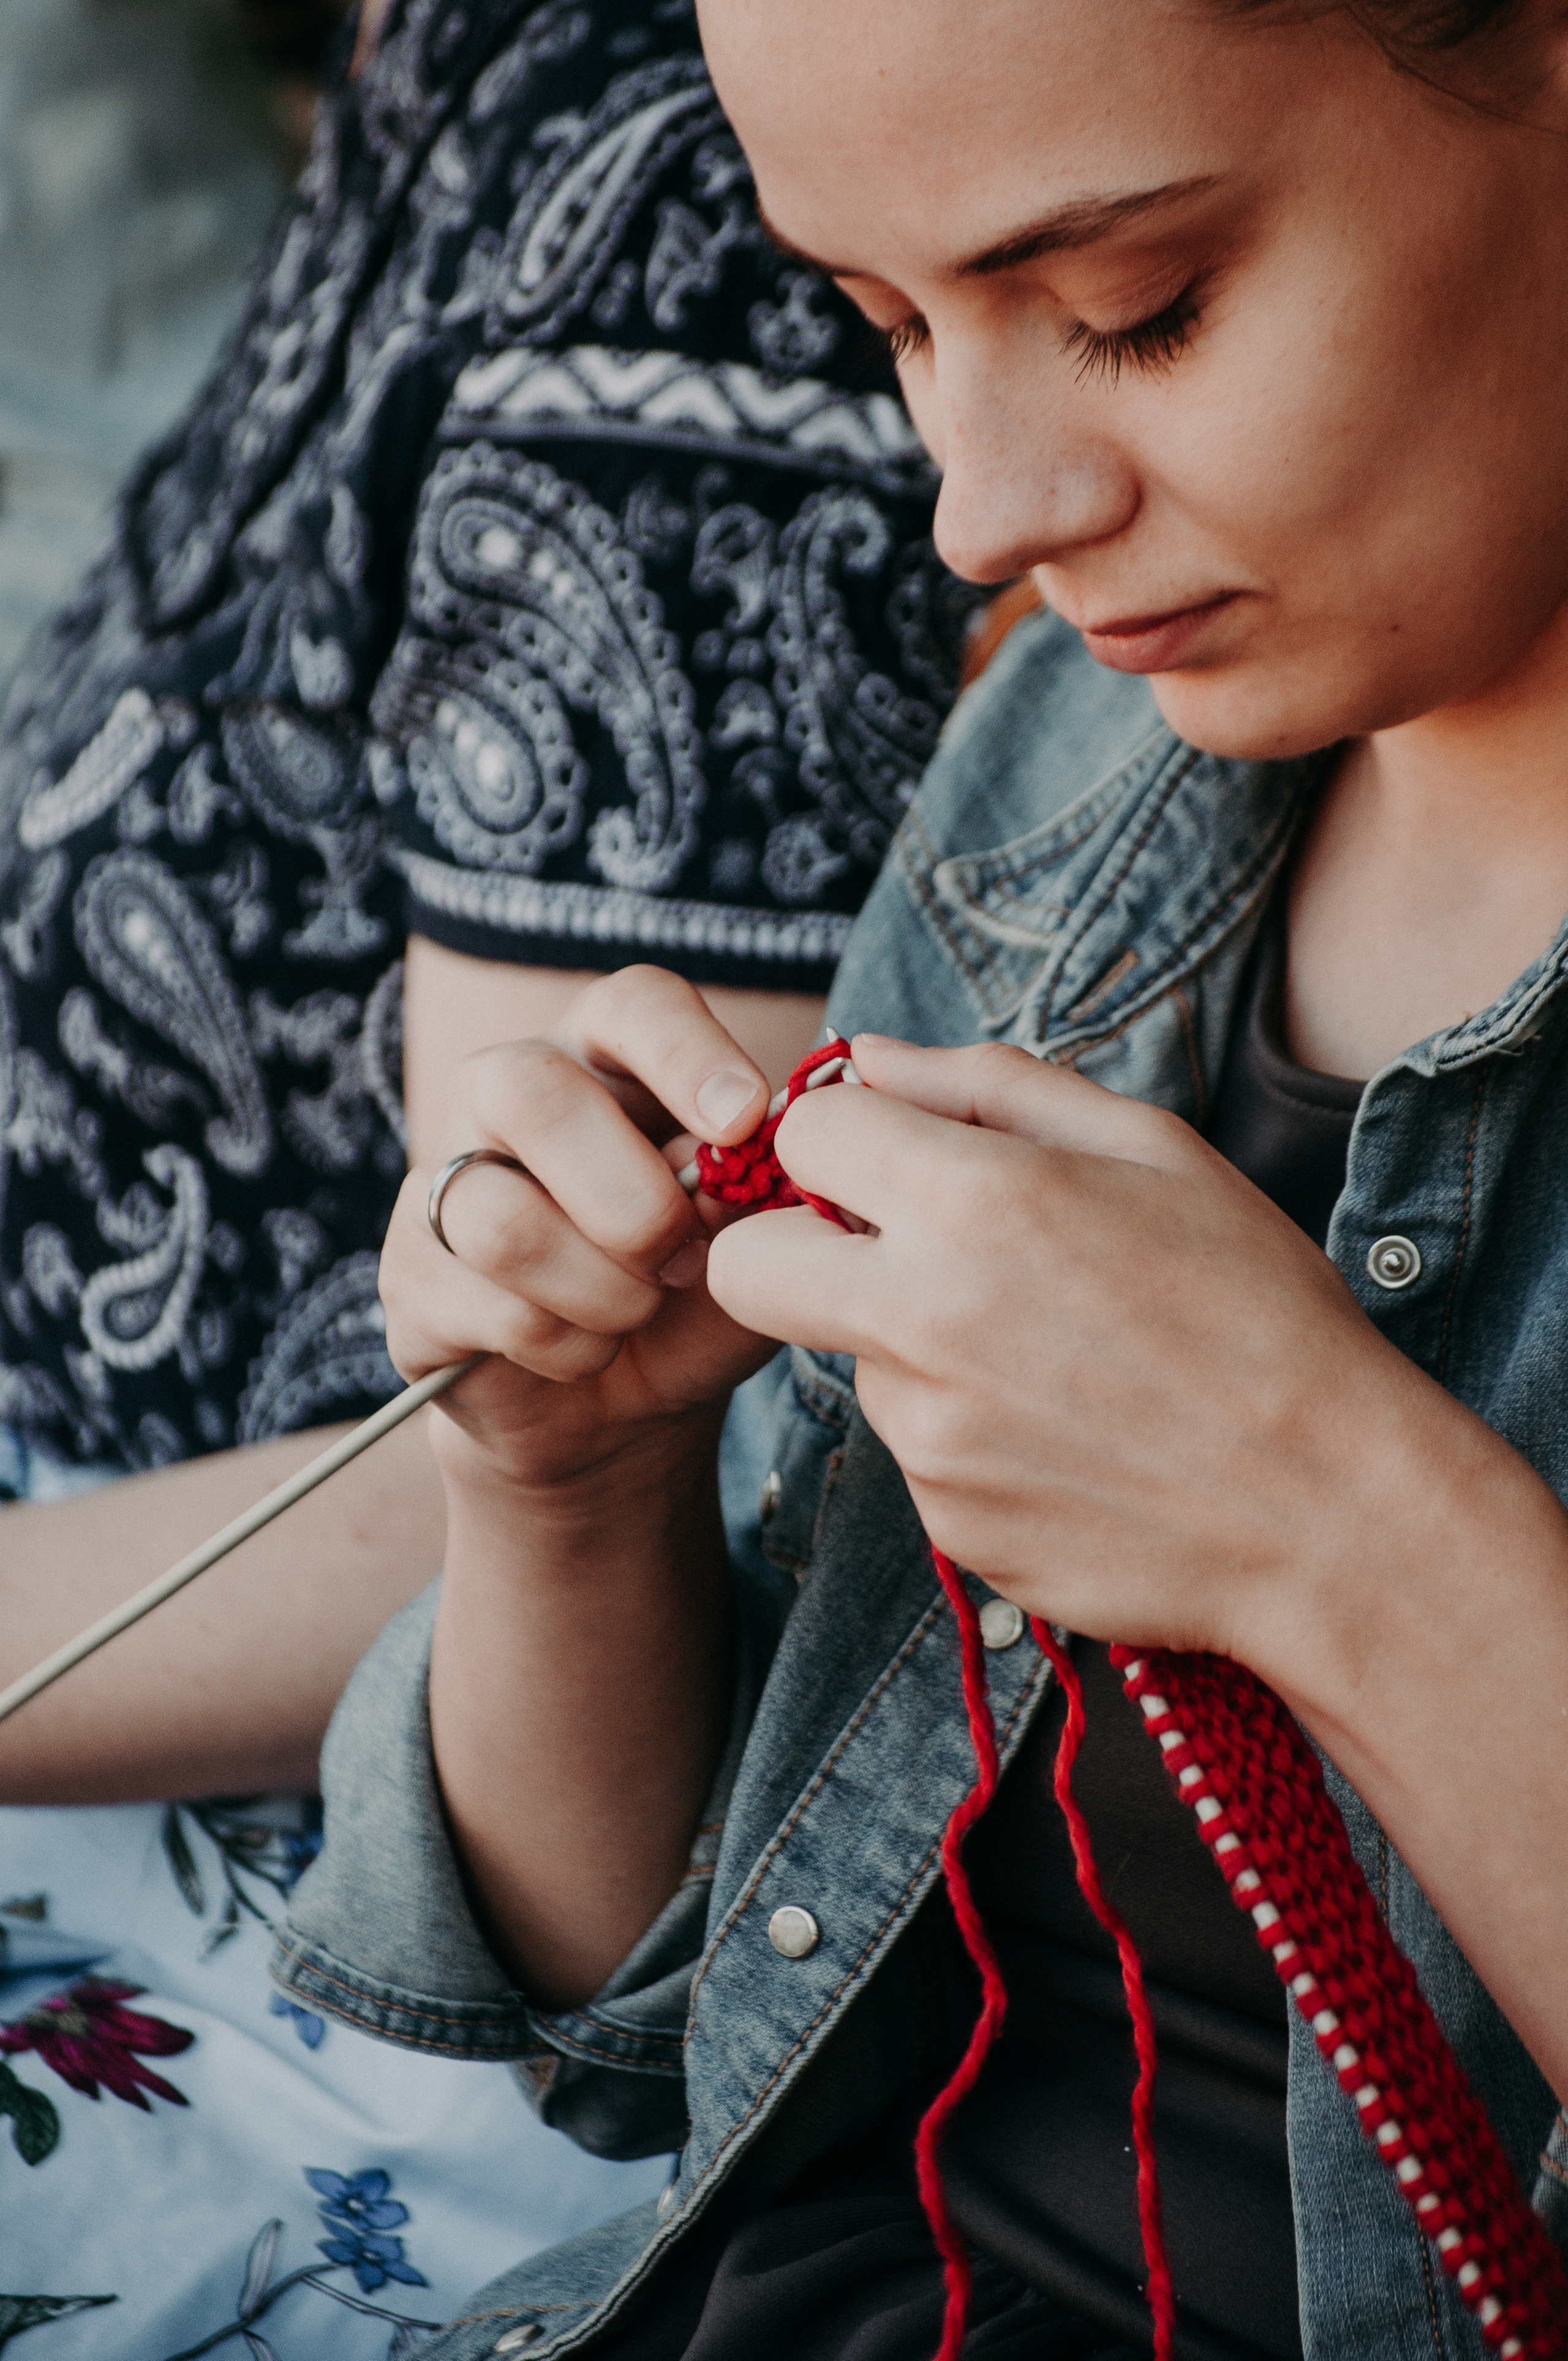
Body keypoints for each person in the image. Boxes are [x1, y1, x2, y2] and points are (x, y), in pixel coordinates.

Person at [276, 1, 1568, 2356]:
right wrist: (574, 1493)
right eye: (886, 326)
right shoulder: (1068, 776)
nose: (983, 508)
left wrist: (1339, 1522)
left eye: (1129, 311)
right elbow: (629, 2002)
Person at [0, 1, 967, 2349]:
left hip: (264, 1897)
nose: (993, 504)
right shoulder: (469, 64)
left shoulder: (697, 204)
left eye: (1137, 316)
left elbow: (551, 1437)